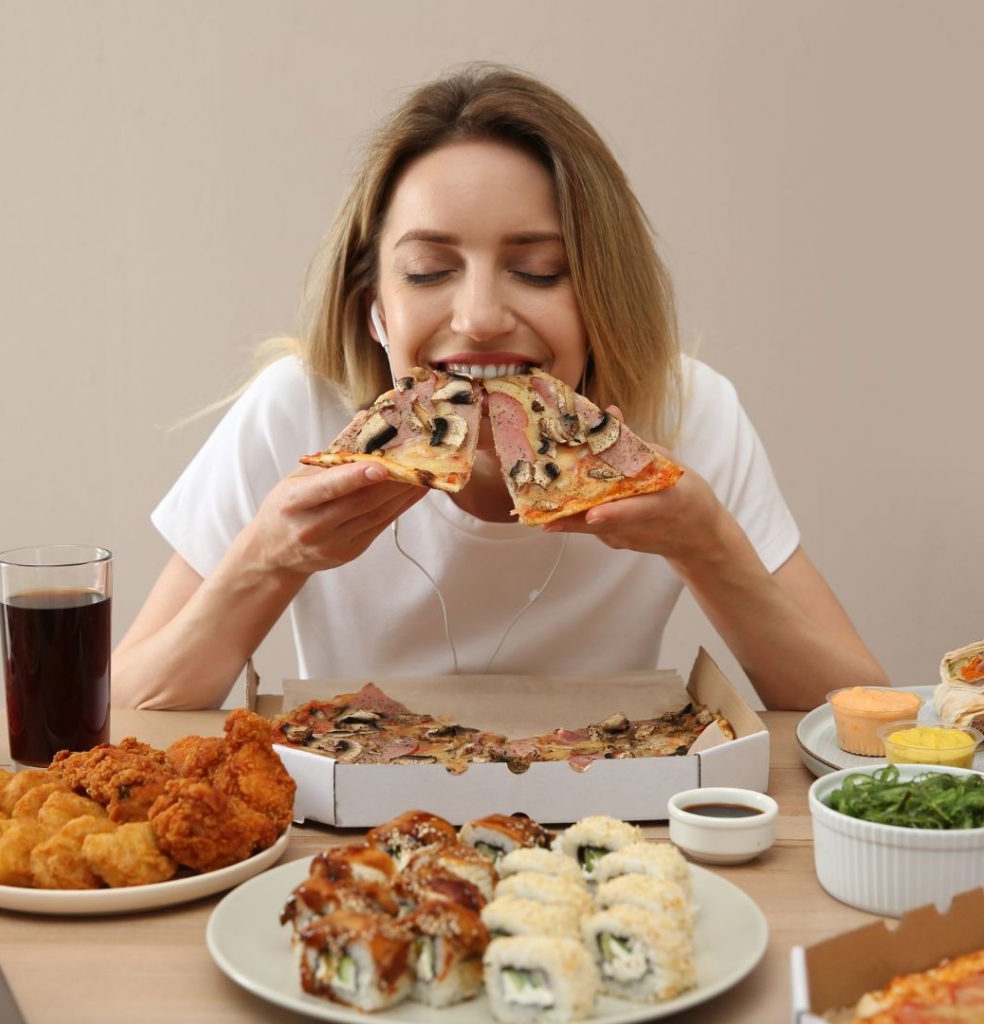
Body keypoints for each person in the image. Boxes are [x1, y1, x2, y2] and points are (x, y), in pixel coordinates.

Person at [113, 63, 887, 712]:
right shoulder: (297, 411)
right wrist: (267, 560)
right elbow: (118, 707)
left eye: (538, 271)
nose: (480, 318)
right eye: (429, 272)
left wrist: (708, 546)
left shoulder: (688, 415)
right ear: (376, 306)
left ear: (604, 296)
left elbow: (864, 717)